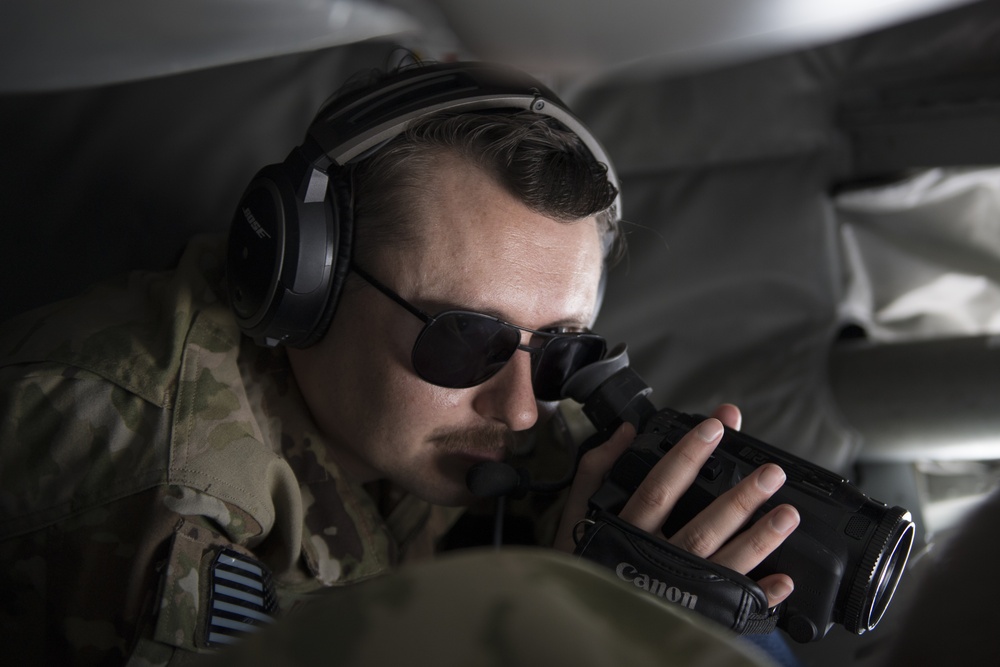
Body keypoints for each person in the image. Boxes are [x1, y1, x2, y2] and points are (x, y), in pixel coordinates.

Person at [0, 61, 800, 666]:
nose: (521, 410)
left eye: (561, 349)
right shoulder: (154, 476)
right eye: (465, 339)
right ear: (303, 282)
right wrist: (554, 621)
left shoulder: (436, 417)